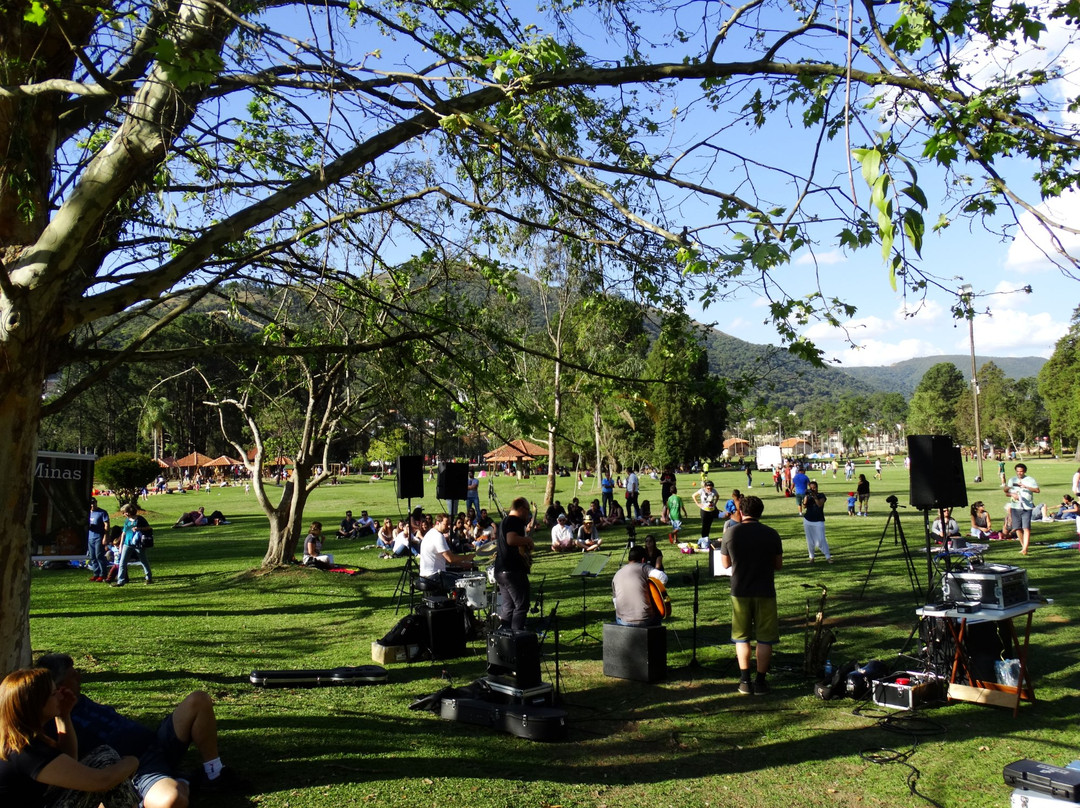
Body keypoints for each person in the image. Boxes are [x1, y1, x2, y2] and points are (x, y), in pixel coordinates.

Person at [36, 653, 240, 806]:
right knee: (173, 800)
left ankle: (213, 774)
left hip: (155, 743)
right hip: (137, 770)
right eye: (74, 675)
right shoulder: (52, 719)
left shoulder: (75, 699)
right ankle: (170, 784)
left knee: (199, 700)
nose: (79, 677)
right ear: (60, 687)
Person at [0, 667, 139, 807]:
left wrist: (63, 716)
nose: (61, 697)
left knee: (104, 755)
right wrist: (132, 762)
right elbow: (101, 782)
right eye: (54, 694)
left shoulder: (17, 740)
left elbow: (70, 762)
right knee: (107, 761)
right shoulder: (27, 751)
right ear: (36, 704)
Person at [719, 495, 783, 696]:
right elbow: (778, 565)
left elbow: (725, 564)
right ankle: (761, 683)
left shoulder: (731, 533)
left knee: (741, 637)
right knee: (765, 639)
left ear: (740, 511)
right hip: (765, 590)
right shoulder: (771, 534)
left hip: (740, 591)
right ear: (760, 512)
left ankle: (745, 681)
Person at [493, 497, 535, 630]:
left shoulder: (505, 521)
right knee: (521, 606)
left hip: (501, 570)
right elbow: (511, 540)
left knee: (508, 606)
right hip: (513, 570)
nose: (528, 515)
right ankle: (516, 639)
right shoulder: (514, 520)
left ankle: (505, 639)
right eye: (527, 511)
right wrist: (527, 540)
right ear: (521, 508)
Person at [611, 546, 669, 627]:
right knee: (657, 615)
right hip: (645, 620)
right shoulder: (644, 568)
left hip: (624, 622)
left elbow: (615, 603)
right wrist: (655, 593)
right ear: (643, 559)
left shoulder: (617, 574)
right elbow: (663, 578)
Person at [419, 513, 474, 592]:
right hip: (433, 577)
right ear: (438, 523)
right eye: (446, 524)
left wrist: (461, 564)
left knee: (458, 577)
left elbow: (446, 560)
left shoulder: (430, 533)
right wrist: (467, 557)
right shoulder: (438, 536)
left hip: (425, 576)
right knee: (465, 582)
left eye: (449, 524)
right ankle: (457, 603)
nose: (449, 526)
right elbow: (450, 558)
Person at [112, 504, 152, 587]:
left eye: (124, 512)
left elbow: (148, 528)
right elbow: (123, 533)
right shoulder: (127, 521)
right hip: (127, 543)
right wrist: (121, 545)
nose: (123, 514)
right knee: (122, 562)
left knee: (143, 560)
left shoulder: (140, 519)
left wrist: (139, 528)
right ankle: (120, 581)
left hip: (138, 543)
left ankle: (148, 578)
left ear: (129, 512)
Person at [1004, 463, 1040, 555]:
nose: (1019, 473)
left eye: (1021, 471)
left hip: (1027, 507)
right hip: (1015, 507)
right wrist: (1012, 494)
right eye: (1018, 471)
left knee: (1026, 528)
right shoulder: (1012, 480)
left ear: (1024, 471)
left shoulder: (1030, 480)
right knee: (1017, 528)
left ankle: (1025, 549)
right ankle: (1023, 546)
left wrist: (1026, 487)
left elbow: (1037, 490)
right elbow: (1006, 492)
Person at [802, 481, 832, 563]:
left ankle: (828, 557)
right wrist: (806, 496)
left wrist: (814, 496)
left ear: (817, 487)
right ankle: (811, 557)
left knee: (821, 539)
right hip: (808, 520)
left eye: (814, 488)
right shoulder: (808, 496)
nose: (812, 489)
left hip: (818, 520)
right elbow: (804, 506)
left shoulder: (821, 495)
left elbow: (819, 504)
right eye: (811, 488)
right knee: (810, 541)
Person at [87, 498, 110, 583]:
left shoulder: (102, 512)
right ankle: (96, 573)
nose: (92, 505)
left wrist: (105, 536)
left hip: (99, 537)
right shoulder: (88, 513)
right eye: (91, 504)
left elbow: (106, 525)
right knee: (92, 557)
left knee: (99, 556)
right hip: (90, 537)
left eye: (94, 503)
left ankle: (103, 574)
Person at [692, 479, 720, 548]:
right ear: (705, 487)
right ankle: (704, 540)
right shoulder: (701, 491)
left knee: (709, 525)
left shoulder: (714, 491)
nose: (709, 489)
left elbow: (717, 496)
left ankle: (707, 538)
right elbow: (693, 496)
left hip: (711, 510)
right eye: (708, 488)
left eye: (711, 488)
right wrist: (698, 504)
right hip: (704, 510)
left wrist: (715, 504)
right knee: (704, 525)